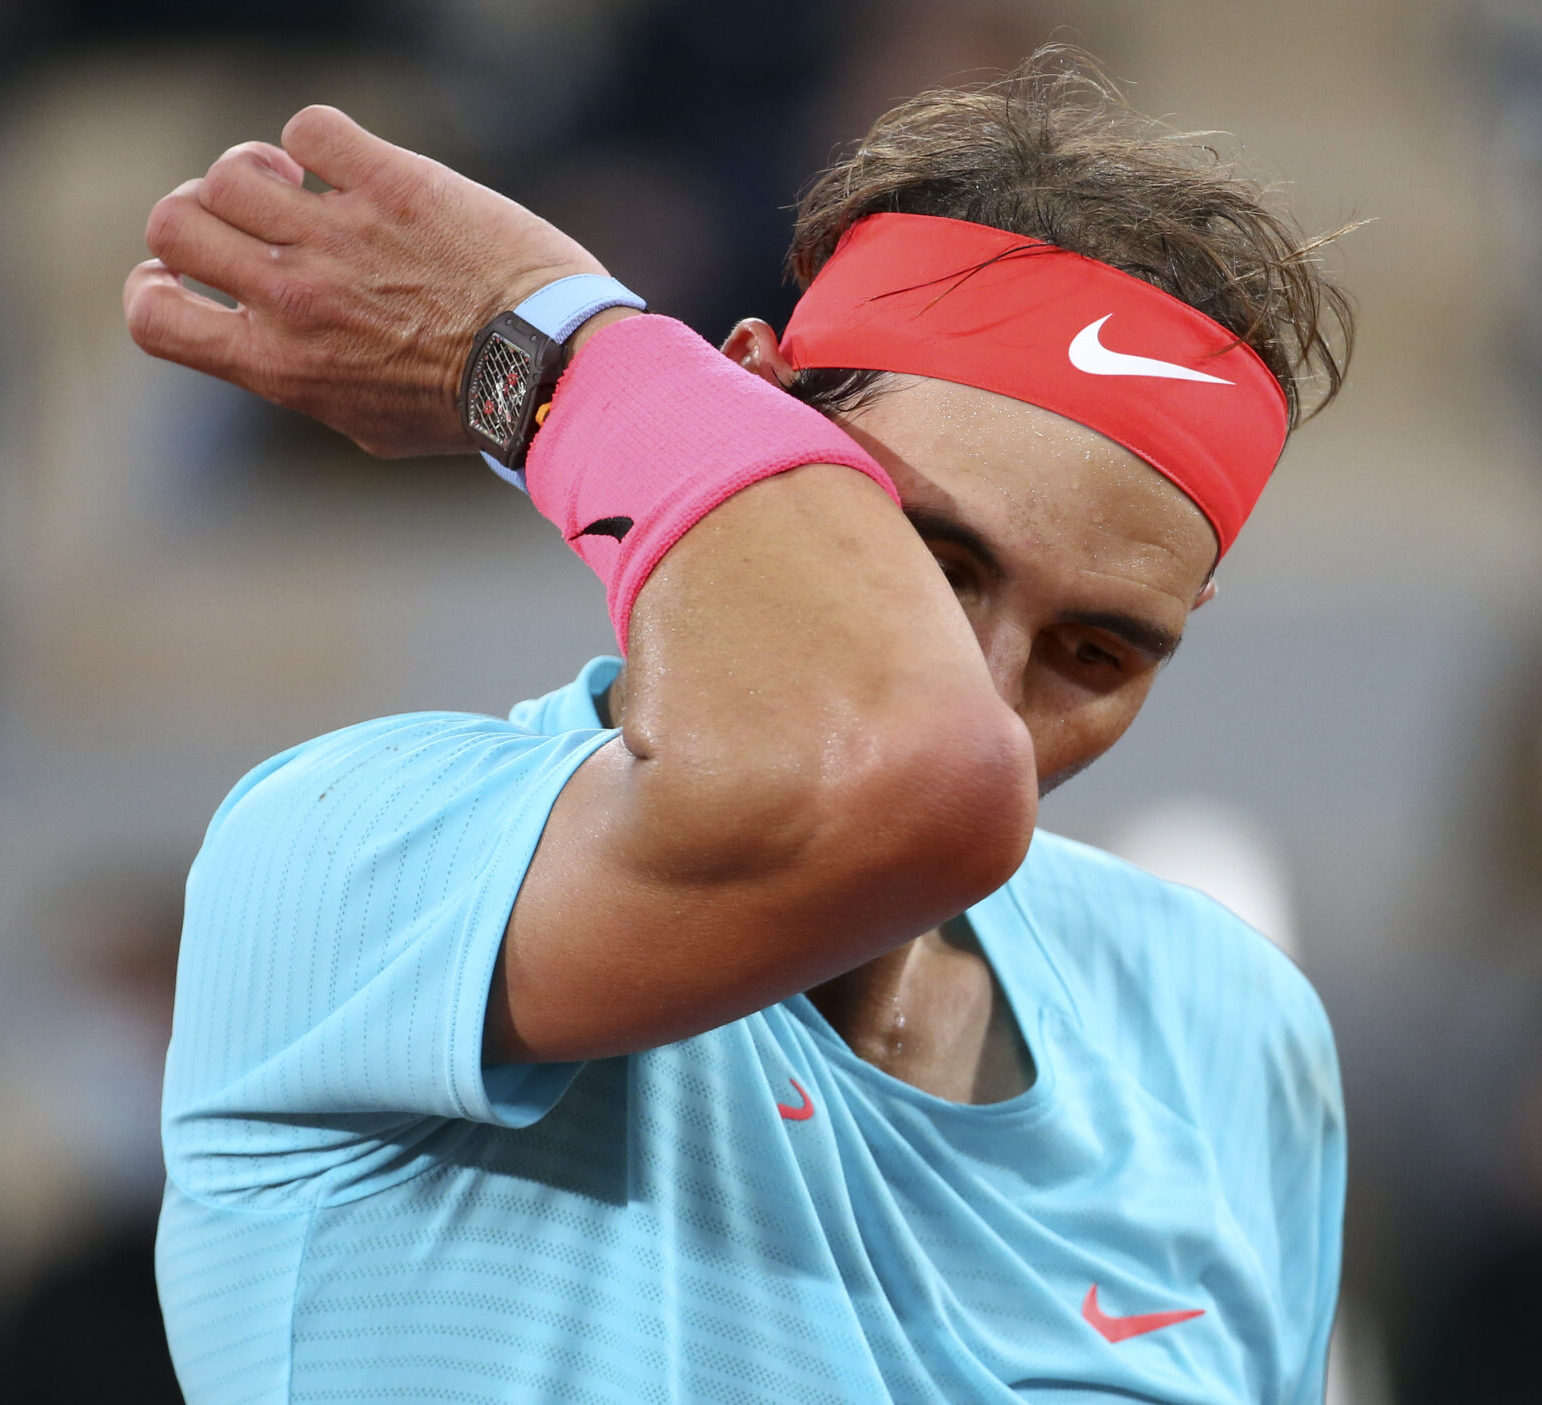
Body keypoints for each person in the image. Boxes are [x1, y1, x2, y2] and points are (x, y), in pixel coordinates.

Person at [129, 52, 1353, 1404]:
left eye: (1094, 651)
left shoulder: (1227, 1026)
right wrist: (546, 354)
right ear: (746, 411)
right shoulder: (346, 860)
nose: (987, 693)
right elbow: (912, 772)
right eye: (932, 566)